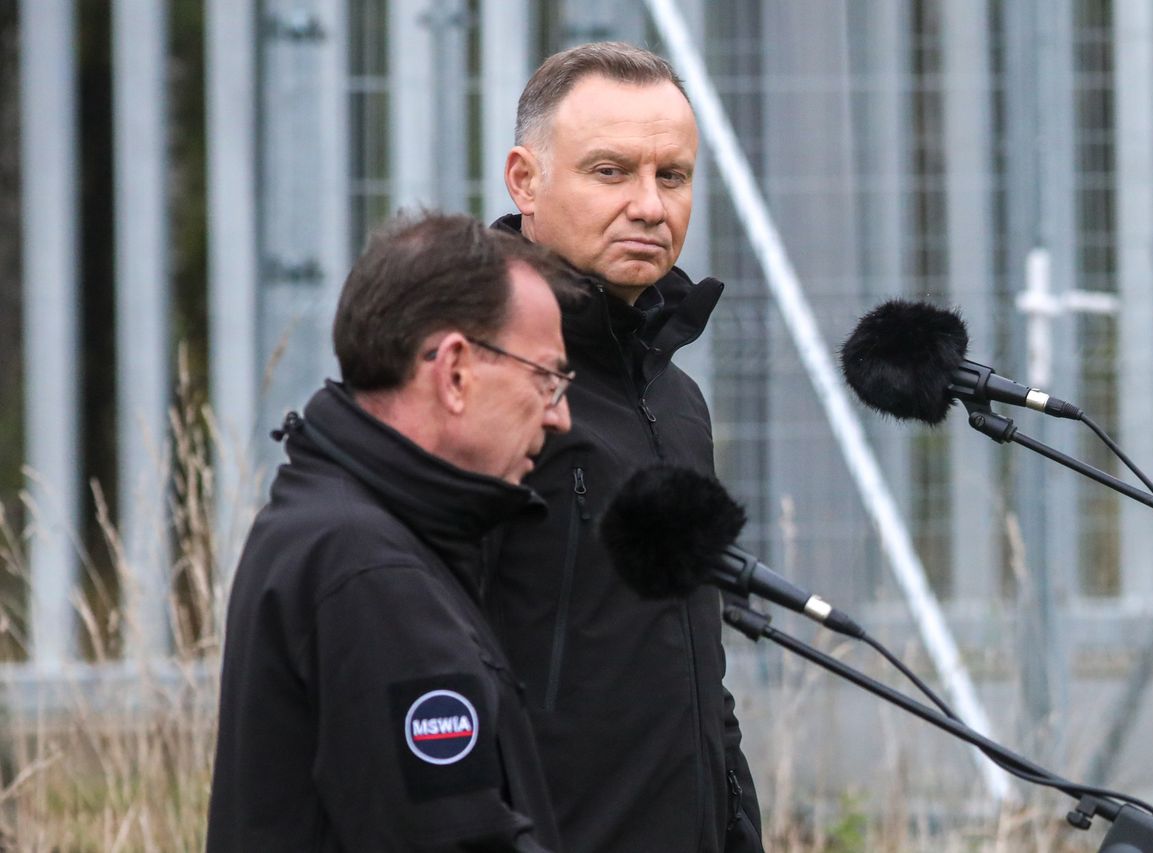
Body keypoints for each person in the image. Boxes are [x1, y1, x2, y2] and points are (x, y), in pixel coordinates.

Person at [207, 211, 575, 852]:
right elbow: (454, 838)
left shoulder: (336, 524)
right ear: (455, 371)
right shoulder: (372, 571)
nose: (561, 417)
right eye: (547, 378)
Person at [487, 42, 765, 852]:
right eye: (611, 172)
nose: (650, 205)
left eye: (672, 176)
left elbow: (696, 669)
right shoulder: (474, 385)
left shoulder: (677, 401)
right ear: (524, 180)